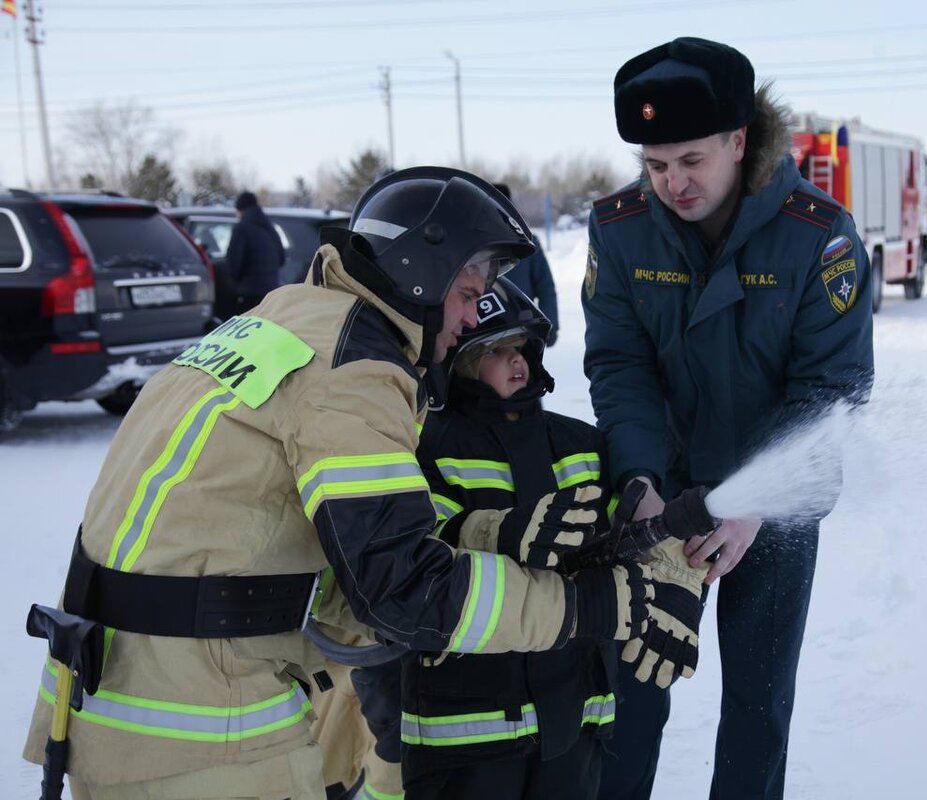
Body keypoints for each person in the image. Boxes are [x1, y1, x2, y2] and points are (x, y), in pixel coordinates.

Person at [23, 166, 653, 800]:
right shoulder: (353, 370)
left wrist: (487, 533)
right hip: (201, 730)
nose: (471, 315)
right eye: (468, 291)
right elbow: (403, 592)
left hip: (123, 697)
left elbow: (303, 552)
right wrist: (590, 606)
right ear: (422, 272)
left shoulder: (284, 321)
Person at [582, 38, 875, 799]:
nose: (672, 183)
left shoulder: (819, 235)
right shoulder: (619, 230)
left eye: (691, 160)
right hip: (660, 495)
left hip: (771, 515)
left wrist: (747, 506)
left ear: (740, 141)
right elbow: (620, 365)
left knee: (757, 704)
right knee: (628, 699)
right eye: (655, 165)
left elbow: (831, 390)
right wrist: (638, 478)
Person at [347, 277, 709, 800]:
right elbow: (418, 544)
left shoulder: (580, 442)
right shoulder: (428, 443)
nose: (517, 361)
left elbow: (632, 527)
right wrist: (502, 532)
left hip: (577, 711)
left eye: (522, 348)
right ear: (459, 362)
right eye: (497, 350)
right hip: (468, 726)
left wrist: (676, 579)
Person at [492, 183, 559, 345]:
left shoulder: (527, 243)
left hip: (521, 328)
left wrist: (550, 325)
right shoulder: (472, 245)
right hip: (483, 330)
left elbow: (545, 287)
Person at [226, 190, 285, 314]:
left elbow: (233, 263)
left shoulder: (241, 229)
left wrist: (236, 282)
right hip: (271, 294)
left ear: (240, 209)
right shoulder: (270, 228)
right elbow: (281, 258)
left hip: (248, 294)